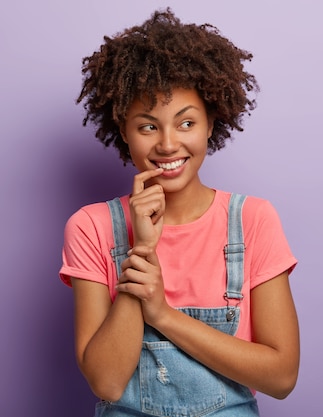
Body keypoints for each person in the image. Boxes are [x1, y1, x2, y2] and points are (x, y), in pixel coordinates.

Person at [59, 8, 299, 417]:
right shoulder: (92, 227)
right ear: (124, 132)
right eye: (148, 126)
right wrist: (144, 250)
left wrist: (164, 316)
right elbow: (107, 382)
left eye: (186, 123)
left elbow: (280, 378)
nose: (168, 145)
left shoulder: (252, 220)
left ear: (210, 123)